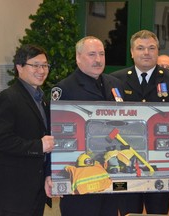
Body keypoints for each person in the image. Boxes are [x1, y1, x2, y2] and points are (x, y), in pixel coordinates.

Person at [111, 30, 169, 215]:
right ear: (132, 52)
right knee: (128, 211)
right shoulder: (116, 79)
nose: (146, 53)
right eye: (140, 48)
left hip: (162, 160)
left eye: (151, 48)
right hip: (126, 161)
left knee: (158, 211)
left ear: (157, 51)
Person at [51, 36, 124, 216]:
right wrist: (54, 175)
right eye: (92, 54)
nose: (98, 60)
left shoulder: (115, 84)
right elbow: (53, 134)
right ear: (78, 57)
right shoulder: (64, 89)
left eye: (101, 54)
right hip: (81, 173)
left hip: (109, 173)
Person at [0, 44, 55, 216]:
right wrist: (37, 146)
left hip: (36, 187)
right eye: (35, 65)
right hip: (14, 191)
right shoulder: (8, 98)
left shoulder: (42, 98)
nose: (42, 70)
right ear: (19, 67)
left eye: (45, 65)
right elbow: (0, 140)